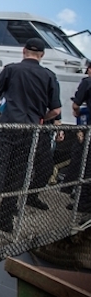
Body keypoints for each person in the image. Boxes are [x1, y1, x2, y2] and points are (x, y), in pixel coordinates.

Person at [0, 37, 61, 235]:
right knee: (17, 176)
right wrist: (41, 119)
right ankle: (6, 220)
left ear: (24, 51)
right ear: (42, 55)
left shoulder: (11, 69)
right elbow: (56, 111)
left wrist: (1, 110)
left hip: (8, 127)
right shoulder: (49, 76)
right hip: (30, 131)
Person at [68, 63, 91, 213]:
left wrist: (76, 113)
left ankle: (83, 204)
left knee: (87, 167)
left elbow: (76, 105)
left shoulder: (87, 82)